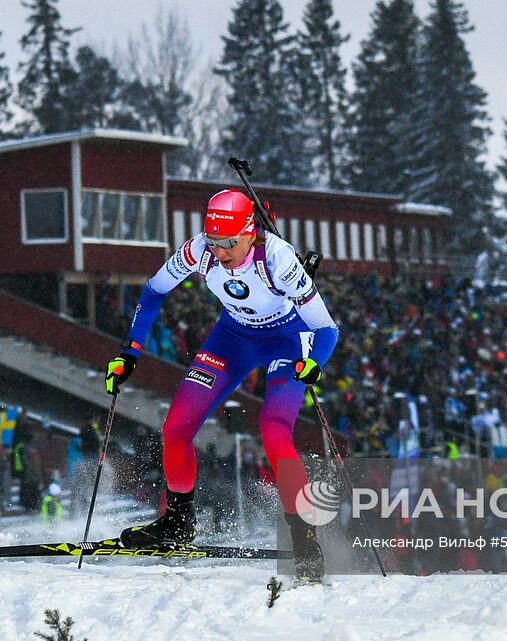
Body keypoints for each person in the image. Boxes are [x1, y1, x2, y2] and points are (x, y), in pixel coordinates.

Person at [105, 188, 339, 581]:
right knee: (176, 428)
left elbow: (326, 328)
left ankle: (304, 536)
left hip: (287, 338)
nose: (221, 252)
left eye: (229, 242)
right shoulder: (198, 250)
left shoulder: (278, 259)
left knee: (274, 431)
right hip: (232, 337)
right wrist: (130, 351)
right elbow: (154, 290)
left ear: (250, 232)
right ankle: (179, 522)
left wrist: (315, 363)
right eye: (214, 242)